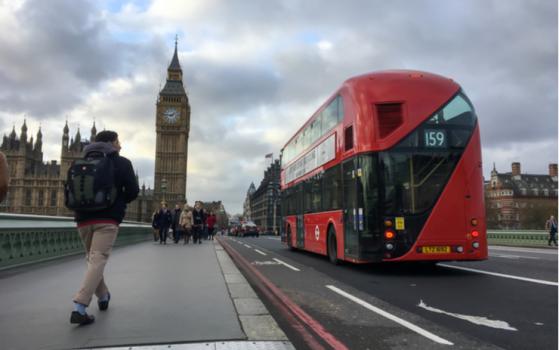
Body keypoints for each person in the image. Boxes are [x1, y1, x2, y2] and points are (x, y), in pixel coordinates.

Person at [69, 130, 139, 325]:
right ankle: (80, 307)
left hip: (82, 218)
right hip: (107, 219)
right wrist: (118, 201)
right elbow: (133, 191)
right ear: (111, 142)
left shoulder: (79, 162)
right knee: (97, 259)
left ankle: (103, 295)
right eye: (118, 141)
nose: (120, 145)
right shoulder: (122, 162)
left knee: (92, 259)